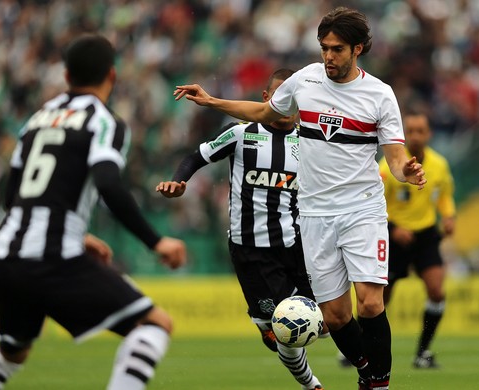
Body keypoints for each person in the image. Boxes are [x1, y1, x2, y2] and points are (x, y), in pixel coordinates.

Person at [173, 7, 426, 390]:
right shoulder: (305, 81)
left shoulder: (380, 95)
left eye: (337, 49)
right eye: (324, 47)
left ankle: (379, 384)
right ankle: (367, 374)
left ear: (358, 49)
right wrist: (212, 102)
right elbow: (262, 111)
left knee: (371, 304)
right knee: (337, 316)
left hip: (362, 209)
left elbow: (394, 158)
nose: (328, 56)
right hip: (313, 215)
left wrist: (406, 170)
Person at [0, 34, 187, 390]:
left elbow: (10, 196)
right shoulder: (103, 121)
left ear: (66, 76)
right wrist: (155, 242)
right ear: (112, 75)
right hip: (51, 257)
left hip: (4, 255)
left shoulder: (36, 120)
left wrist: (78, 231)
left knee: (12, 353)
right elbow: (108, 183)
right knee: (154, 325)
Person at [156, 68, 324, 390]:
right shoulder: (241, 133)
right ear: (266, 99)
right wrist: (180, 181)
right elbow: (196, 157)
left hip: (298, 245)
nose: (285, 106)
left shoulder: (309, 142)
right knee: (277, 334)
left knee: (328, 321)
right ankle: (311, 385)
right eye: (278, 99)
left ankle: (367, 373)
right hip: (250, 250)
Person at [378, 112, 456, 369]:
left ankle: (422, 353)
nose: (415, 136)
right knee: (377, 300)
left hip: (424, 235)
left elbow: (444, 195)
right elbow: (374, 201)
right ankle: (360, 348)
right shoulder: (388, 165)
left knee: (436, 291)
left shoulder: (439, 165)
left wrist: (448, 216)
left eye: (420, 130)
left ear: (429, 134)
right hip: (394, 236)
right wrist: (393, 227)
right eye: (410, 130)